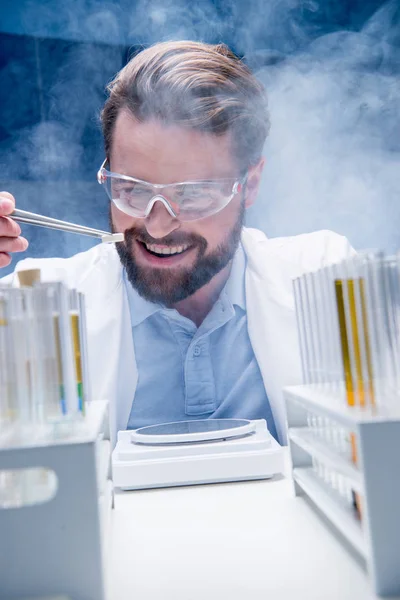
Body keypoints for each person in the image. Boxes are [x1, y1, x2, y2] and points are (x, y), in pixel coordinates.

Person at [0, 41, 352, 447]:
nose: (159, 226)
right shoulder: (32, 308)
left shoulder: (327, 282)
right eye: (131, 189)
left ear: (249, 185)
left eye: (192, 194)